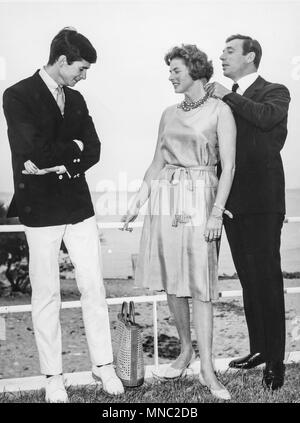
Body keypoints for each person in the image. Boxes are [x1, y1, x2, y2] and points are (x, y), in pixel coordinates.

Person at [2, 27, 124, 402]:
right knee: (46, 294)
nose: (84, 76)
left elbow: (95, 150)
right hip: (38, 210)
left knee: (94, 288)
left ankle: (103, 366)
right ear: (61, 61)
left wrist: (63, 162)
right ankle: (53, 377)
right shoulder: (17, 95)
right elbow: (30, 149)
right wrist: (72, 147)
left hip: (78, 206)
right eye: (81, 68)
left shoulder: (77, 99)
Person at [122, 44, 236, 400]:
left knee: (200, 282)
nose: (170, 75)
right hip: (167, 198)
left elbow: (228, 167)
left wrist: (217, 211)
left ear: (196, 71)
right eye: (169, 70)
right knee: (173, 279)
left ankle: (207, 369)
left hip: (202, 197)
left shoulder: (221, 111)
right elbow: (156, 162)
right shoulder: (168, 113)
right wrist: (137, 202)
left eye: (176, 70)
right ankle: (186, 350)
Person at [205, 34, 290, 390]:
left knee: (268, 281)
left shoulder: (275, 91)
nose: (221, 56)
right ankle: (257, 349)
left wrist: (227, 94)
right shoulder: (228, 99)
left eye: (228, 51)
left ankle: (276, 361)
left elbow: (267, 119)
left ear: (250, 56)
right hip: (233, 202)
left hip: (264, 202)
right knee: (248, 279)